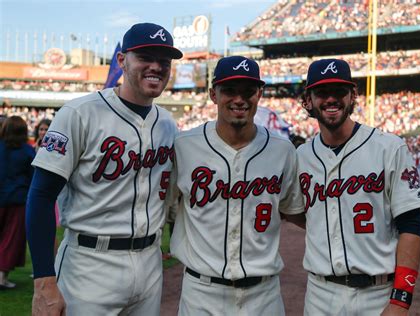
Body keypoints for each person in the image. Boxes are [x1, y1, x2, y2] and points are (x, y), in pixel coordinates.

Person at [26, 22, 182, 315]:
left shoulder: (167, 123)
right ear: (122, 60)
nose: (156, 66)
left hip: (149, 262)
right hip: (89, 264)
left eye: (164, 60)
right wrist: (43, 280)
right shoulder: (79, 113)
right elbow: (41, 196)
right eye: (145, 57)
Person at [289, 59, 420, 315]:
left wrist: (400, 299)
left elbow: (412, 225)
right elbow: (296, 211)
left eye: (339, 91)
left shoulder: (389, 147)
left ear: (353, 95)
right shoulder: (301, 157)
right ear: (308, 100)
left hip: (377, 294)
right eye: (321, 93)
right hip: (320, 294)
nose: (331, 99)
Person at [168, 56, 304, 315]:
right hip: (201, 293)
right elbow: (165, 208)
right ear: (213, 94)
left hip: (264, 295)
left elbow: (293, 209)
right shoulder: (184, 146)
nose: (239, 99)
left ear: (259, 94)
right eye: (229, 90)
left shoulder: (282, 150)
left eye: (248, 91)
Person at [0, 116, 35, 289]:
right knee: (11, 238)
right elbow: (33, 178)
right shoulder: (28, 152)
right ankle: (2, 277)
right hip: (17, 199)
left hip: (6, 197)